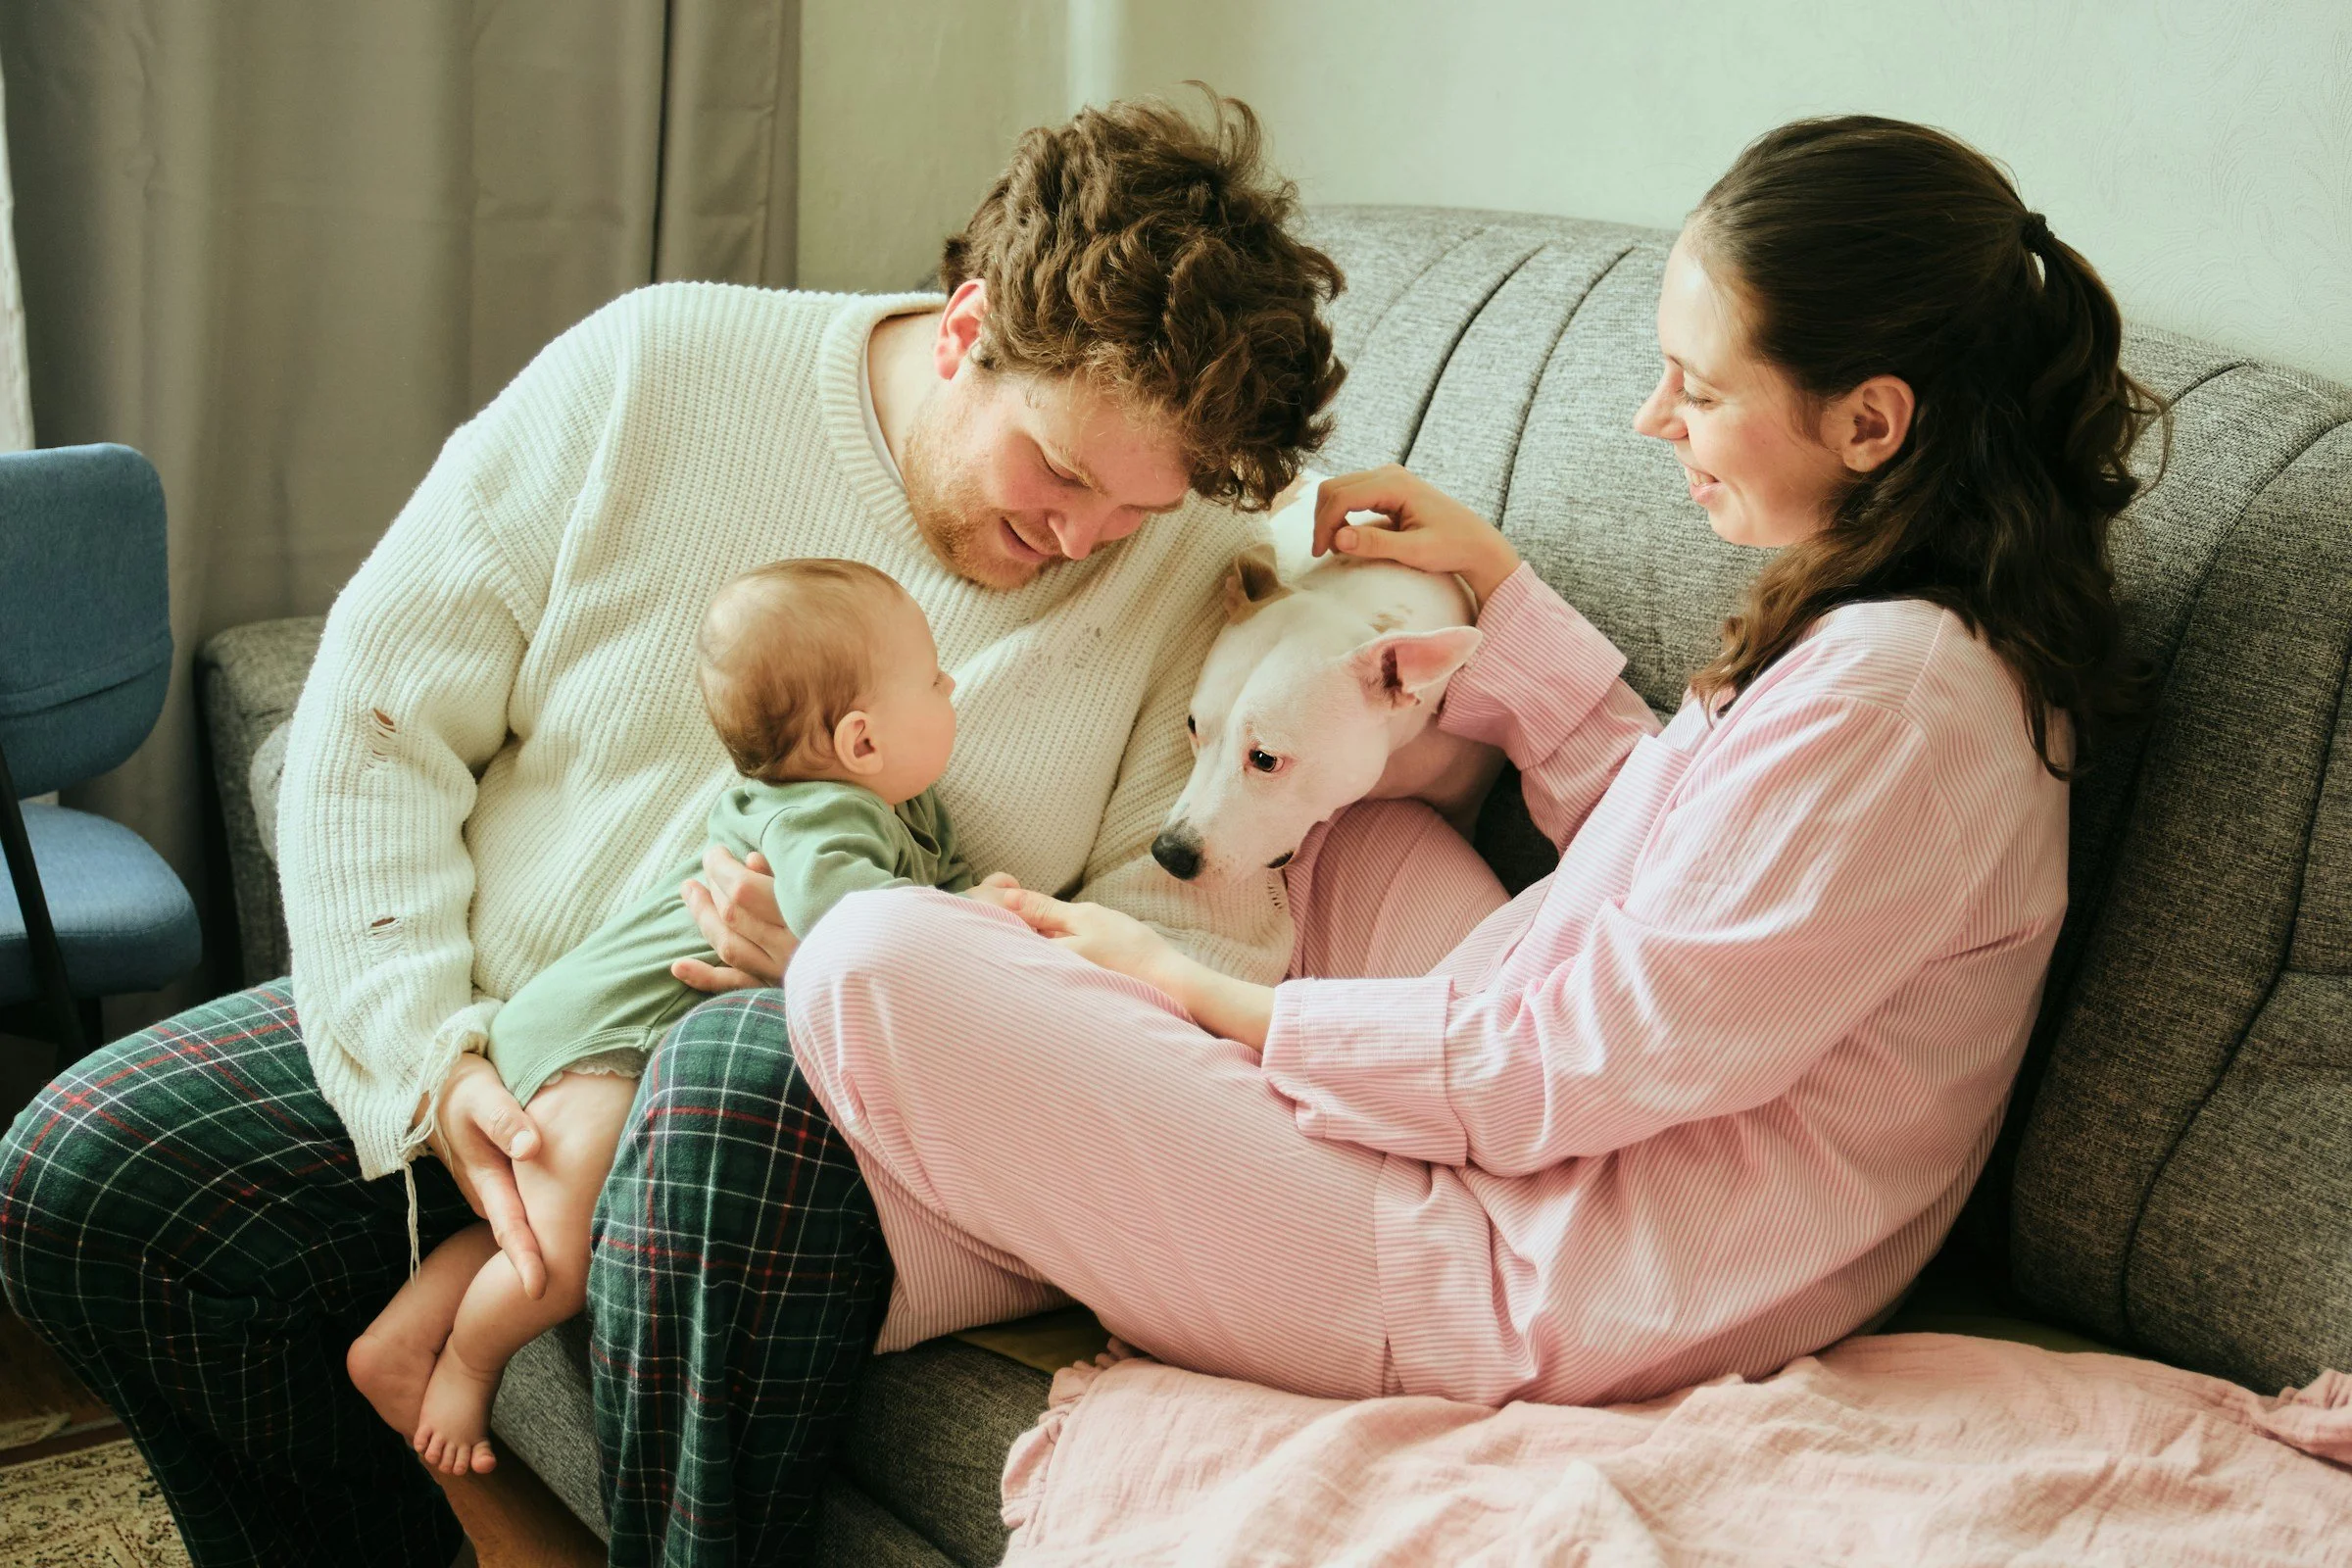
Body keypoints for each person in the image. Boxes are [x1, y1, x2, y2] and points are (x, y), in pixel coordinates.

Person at [0, 93, 1351, 1567]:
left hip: (783, 1124)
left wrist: (872, 969)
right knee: (92, 1177)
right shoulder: (662, 365)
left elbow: (1153, 964)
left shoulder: (1204, 582)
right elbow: (371, 718)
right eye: (1065, 474)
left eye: (1136, 510)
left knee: (734, 1076)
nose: (1084, 541)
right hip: (509, 1021)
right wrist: (428, 1057)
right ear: (970, 327)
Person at [713, 116, 2159, 1415]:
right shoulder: (1889, 645)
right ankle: (1029, 1171)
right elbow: (1672, 890)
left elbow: (1575, 1061)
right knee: (1349, 830)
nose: (1656, 420)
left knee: (873, 959)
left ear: (1871, 423)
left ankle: (993, 1165)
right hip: (1541, 1160)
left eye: (1697, 387)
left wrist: (1188, 996)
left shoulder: (1900, 702)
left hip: (1534, 1280)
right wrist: (1501, 595)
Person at [354, 559, 1019, 1479]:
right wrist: (974, 920)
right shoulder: (826, 817)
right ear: (862, 741)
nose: (954, 689)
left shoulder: (891, 810)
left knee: (544, 1214)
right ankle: (467, 1364)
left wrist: (968, 893)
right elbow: (862, 925)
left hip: (585, 1014)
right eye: (937, 680)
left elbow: (911, 893)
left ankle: (401, 1334)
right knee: (562, 1248)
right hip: (604, 1040)